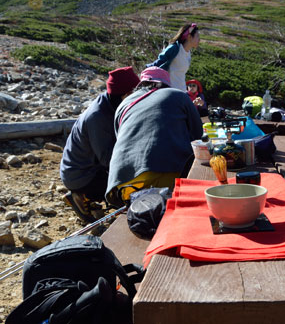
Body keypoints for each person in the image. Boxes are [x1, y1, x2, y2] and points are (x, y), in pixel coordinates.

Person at [106, 66, 203, 206]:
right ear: (165, 84)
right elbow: (197, 135)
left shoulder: (124, 104)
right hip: (167, 174)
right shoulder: (178, 95)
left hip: (122, 183)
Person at [60, 66, 140, 222]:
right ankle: (81, 196)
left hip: (88, 167)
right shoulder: (98, 117)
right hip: (80, 174)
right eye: (135, 95)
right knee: (126, 187)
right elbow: (108, 159)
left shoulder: (111, 104)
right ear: (126, 95)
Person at [146, 23, 200, 91]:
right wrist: (146, 70)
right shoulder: (174, 49)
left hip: (182, 91)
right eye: (197, 36)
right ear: (189, 37)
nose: (199, 39)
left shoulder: (188, 53)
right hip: (169, 91)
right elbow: (159, 62)